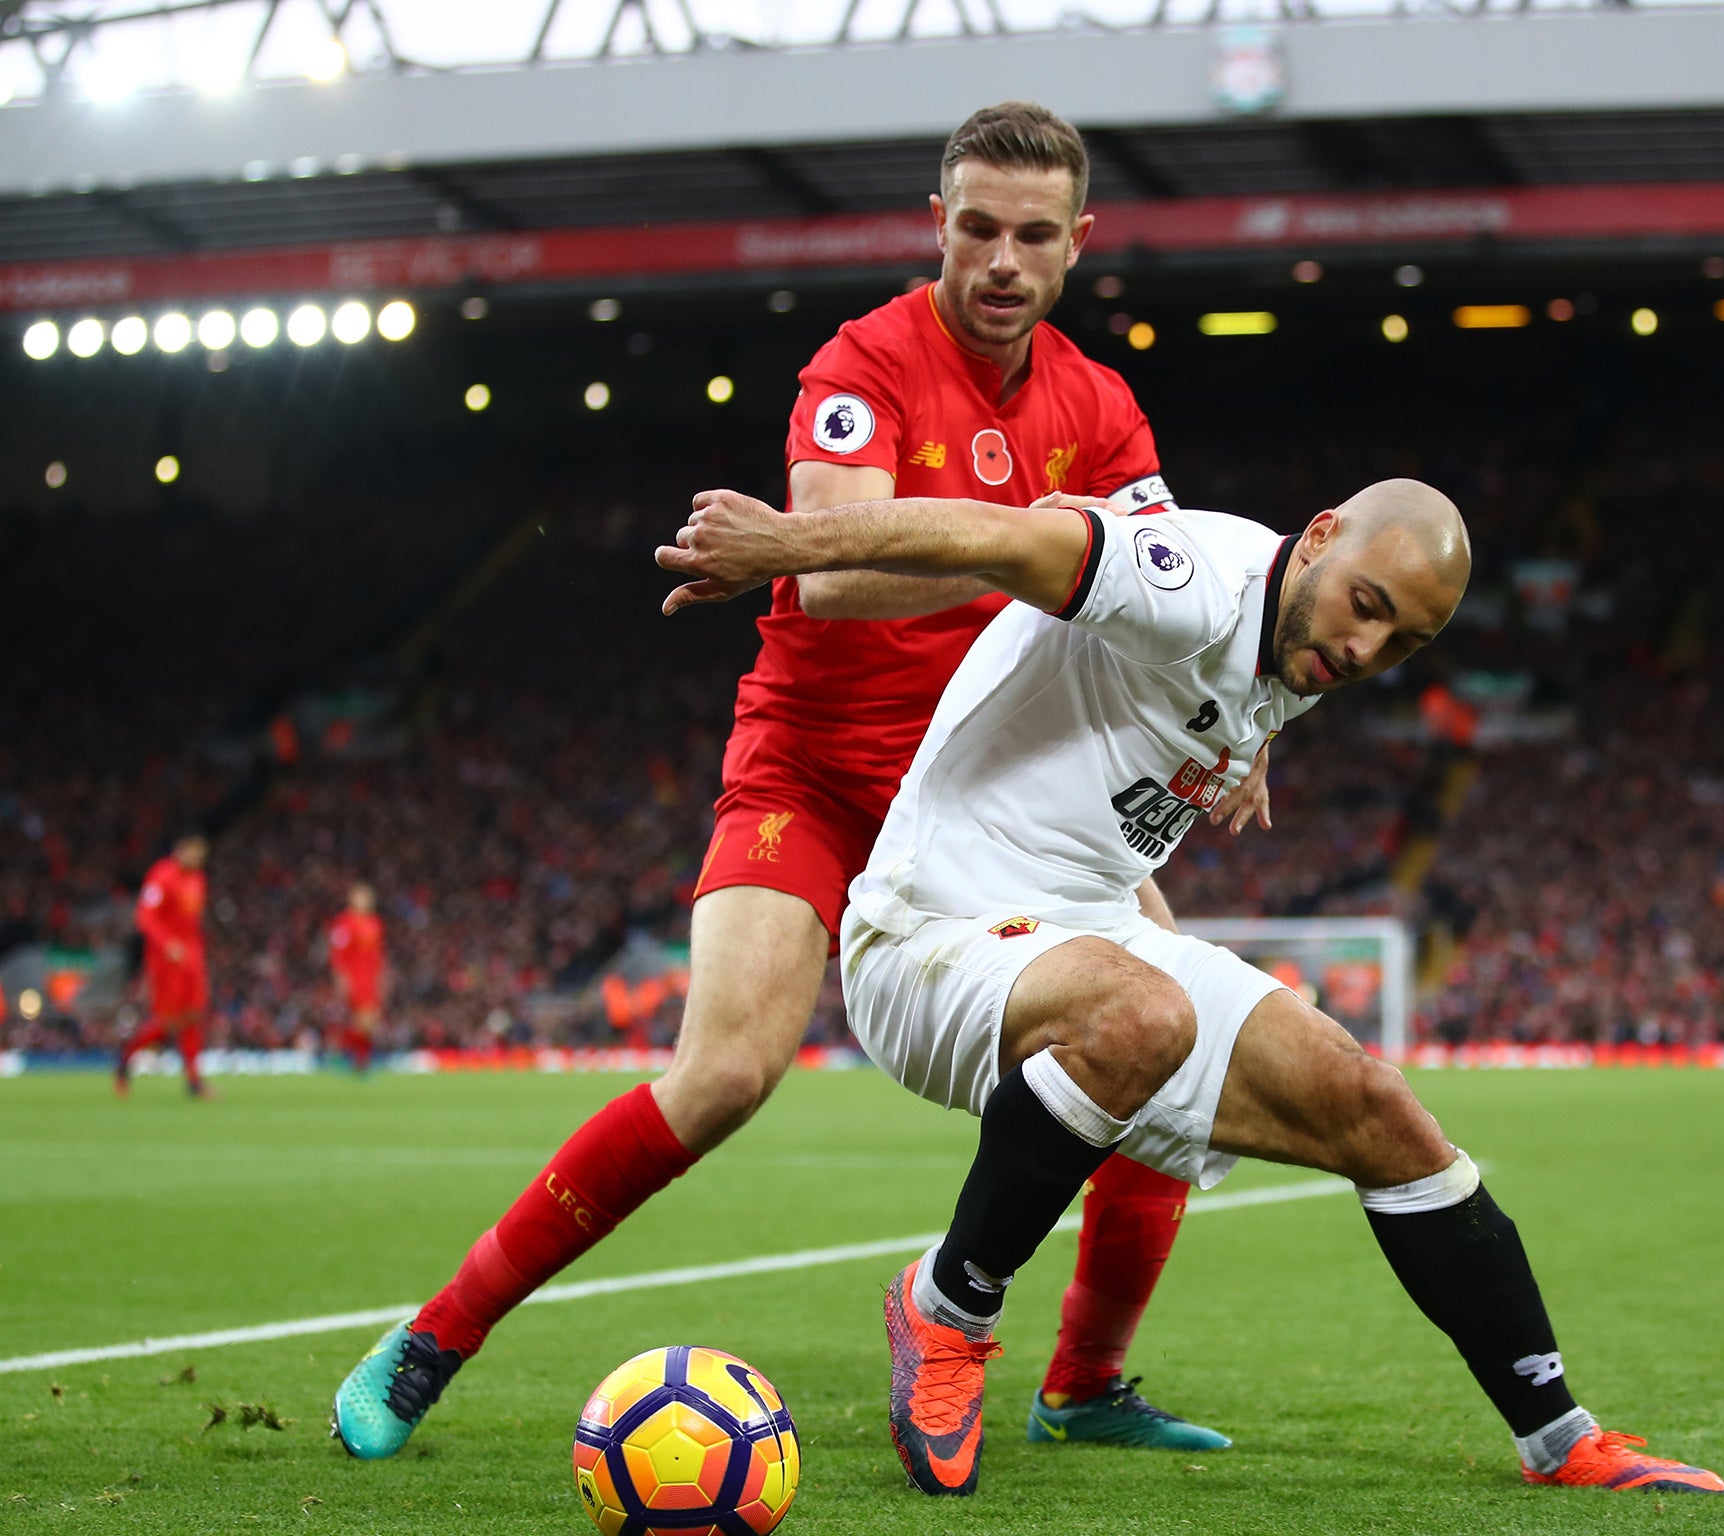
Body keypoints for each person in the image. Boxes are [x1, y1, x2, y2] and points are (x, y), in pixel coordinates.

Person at [331, 100, 1263, 1459]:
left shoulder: (1101, 405)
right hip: (816, 769)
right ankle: (434, 1339)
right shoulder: (862, 363)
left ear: (1079, 244)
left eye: (1035, 237)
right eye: (980, 230)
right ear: (937, 223)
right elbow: (823, 574)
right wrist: (1031, 550)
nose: (1003, 261)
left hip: (1007, 790)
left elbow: (1160, 602)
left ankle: (1084, 1388)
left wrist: (1233, 730)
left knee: (1162, 1042)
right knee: (722, 1073)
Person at [652, 478, 1724, 1499]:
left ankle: (1557, 1438)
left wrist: (1246, 742)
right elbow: (1004, 536)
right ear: (1314, 538)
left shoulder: (1293, 650)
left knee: (1376, 1108)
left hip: (1088, 933)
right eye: (1365, 607)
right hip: (927, 932)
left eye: (1403, 642)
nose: (1365, 650)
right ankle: (946, 1305)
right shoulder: (1187, 581)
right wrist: (781, 549)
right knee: (1140, 1014)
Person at [115, 833, 212, 1098]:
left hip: (192, 958)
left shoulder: (198, 879)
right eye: (193, 852)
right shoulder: (162, 876)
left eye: (201, 854)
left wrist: (197, 952)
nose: (197, 858)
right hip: (165, 960)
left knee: (194, 1016)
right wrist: (168, 944)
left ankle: (194, 1081)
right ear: (180, 849)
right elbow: (145, 917)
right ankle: (125, 1059)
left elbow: (192, 922)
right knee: (168, 1022)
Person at [328, 883, 387, 1073]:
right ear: (352, 899)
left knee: (368, 1023)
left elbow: (378, 955)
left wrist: (381, 978)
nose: (365, 901)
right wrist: (341, 979)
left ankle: (355, 1058)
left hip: (371, 979)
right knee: (362, 1021)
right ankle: (354, 1058)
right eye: (360, 897)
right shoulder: (344, 923)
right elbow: (338, 955)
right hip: (355, 978)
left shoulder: (375, 923)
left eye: (367, 897)